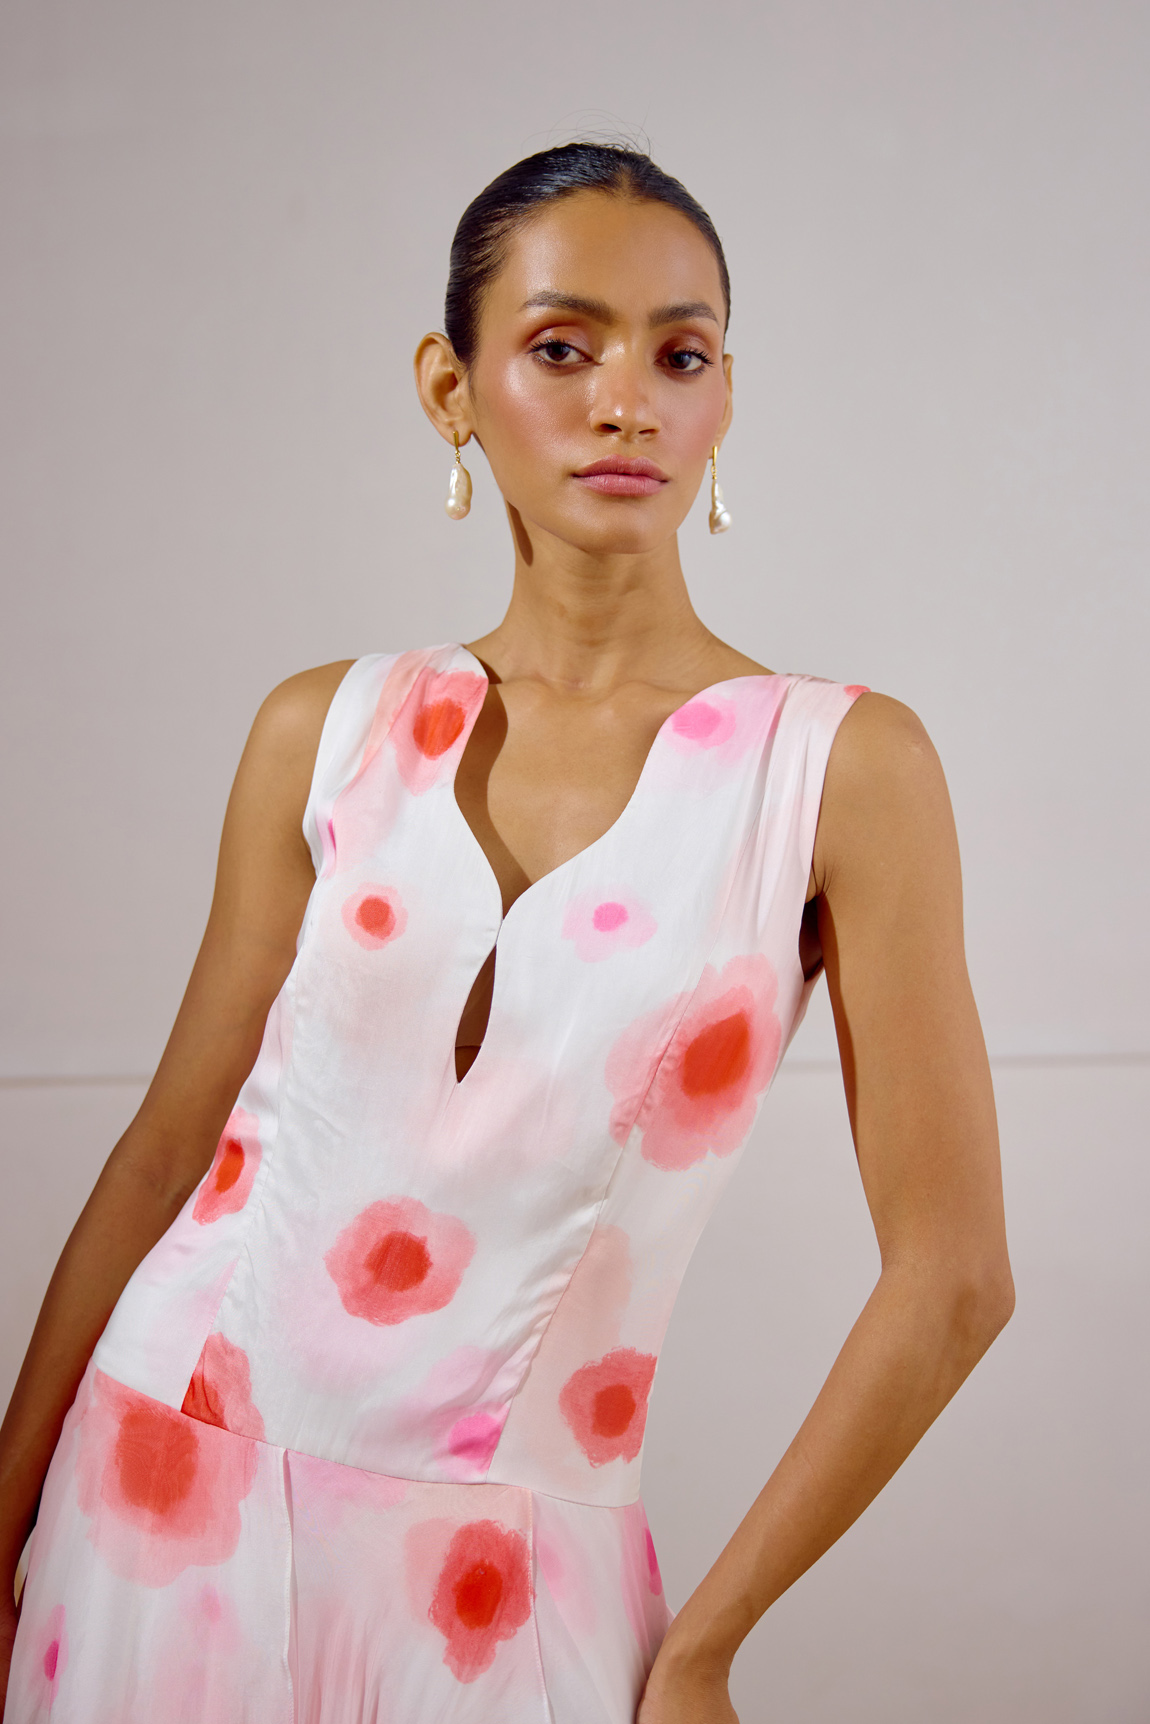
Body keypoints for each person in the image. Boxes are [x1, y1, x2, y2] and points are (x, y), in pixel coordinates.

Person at [0, 142, 1013, 1724]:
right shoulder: (325, 731)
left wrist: (704, 1648)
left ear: (723, 398)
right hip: (155, 1500)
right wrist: (3, 1512)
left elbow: (953, 1277)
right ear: (449, 387)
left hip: (497, 1593)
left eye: (678, 355)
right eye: (561, 347)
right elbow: (163, 1153)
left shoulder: (837, 771)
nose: (626, 403)